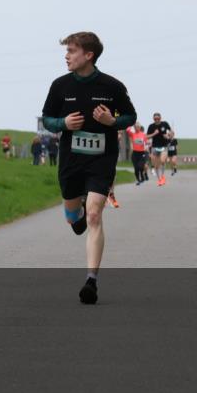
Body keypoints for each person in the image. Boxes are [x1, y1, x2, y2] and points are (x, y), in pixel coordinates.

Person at [41, 32, 136, 304]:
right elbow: (47, 118)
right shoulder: (60, 85)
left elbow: (130, 116)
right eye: (67, 51)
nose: (66, 55)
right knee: (75, 218)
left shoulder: (112, 86)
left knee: (95, 214)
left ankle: (91, 281)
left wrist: (112, 121)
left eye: (71, 51)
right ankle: (75, 215)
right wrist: (63, 124)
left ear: (88, 55)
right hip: (71, 160)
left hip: (101, 159)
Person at [146, 113, 173, 186]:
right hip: (155, 147)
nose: (157, 120)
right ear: (153, 119)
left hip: (163, 146)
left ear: (160, 118)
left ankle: (163, 176)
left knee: (162, 160)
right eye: (155, 119)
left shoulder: (164, 124)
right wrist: (154, 134)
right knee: (156, 166)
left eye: (158, 118)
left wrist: (168, 135)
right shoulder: (151, 126)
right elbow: (147, 137)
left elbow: (171, 132)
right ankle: (159, 179)